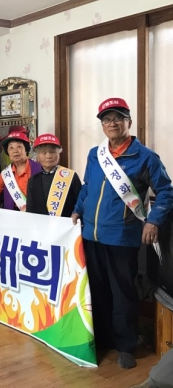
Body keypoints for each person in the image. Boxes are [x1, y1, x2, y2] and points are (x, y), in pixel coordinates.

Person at [72, 98, 173, 369]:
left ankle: (125, 345)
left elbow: (166, 191)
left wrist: (153, 221)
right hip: (91, 235)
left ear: (128, 121)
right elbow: (87, 187)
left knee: (123, 292)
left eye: (118, 118)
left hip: (122, 236)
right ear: (102, 125)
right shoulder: (95, 154)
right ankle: (102, 338)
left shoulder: (146, 157)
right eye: (107, 119)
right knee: (97, 289)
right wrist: (77, 210)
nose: (112, 123)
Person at [0, 131, 42, 211]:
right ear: (8, 152)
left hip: (35, 213)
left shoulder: (39, 168)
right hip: (12, 213)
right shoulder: (6, 173)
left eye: (19, 146)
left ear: (26, 149)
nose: (15, 151)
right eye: (11, 148)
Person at [26, 134, 82, 217]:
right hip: (39, 224)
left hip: (65, 224)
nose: (48, 156)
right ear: (37, 156)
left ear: (58, 154)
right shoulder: (33, 180)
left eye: (52, 152)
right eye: (44, 152)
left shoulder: (71, 176)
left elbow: (80, 202)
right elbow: (30, 209)